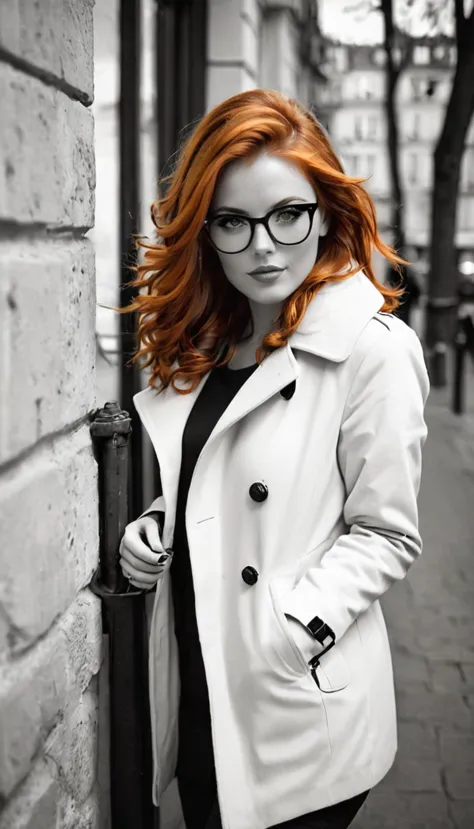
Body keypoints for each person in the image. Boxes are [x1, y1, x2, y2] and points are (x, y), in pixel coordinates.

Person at [118, 88, 429, 829]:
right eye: (233, 221)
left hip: (291, 705)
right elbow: (214, 483)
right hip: (198, 682)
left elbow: (387, 533)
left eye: (287, 214)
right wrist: (154, 530)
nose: (262, 245)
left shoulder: (370, 349)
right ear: (204, 229)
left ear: (324, 212)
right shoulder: (208, 345)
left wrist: (289, 630)